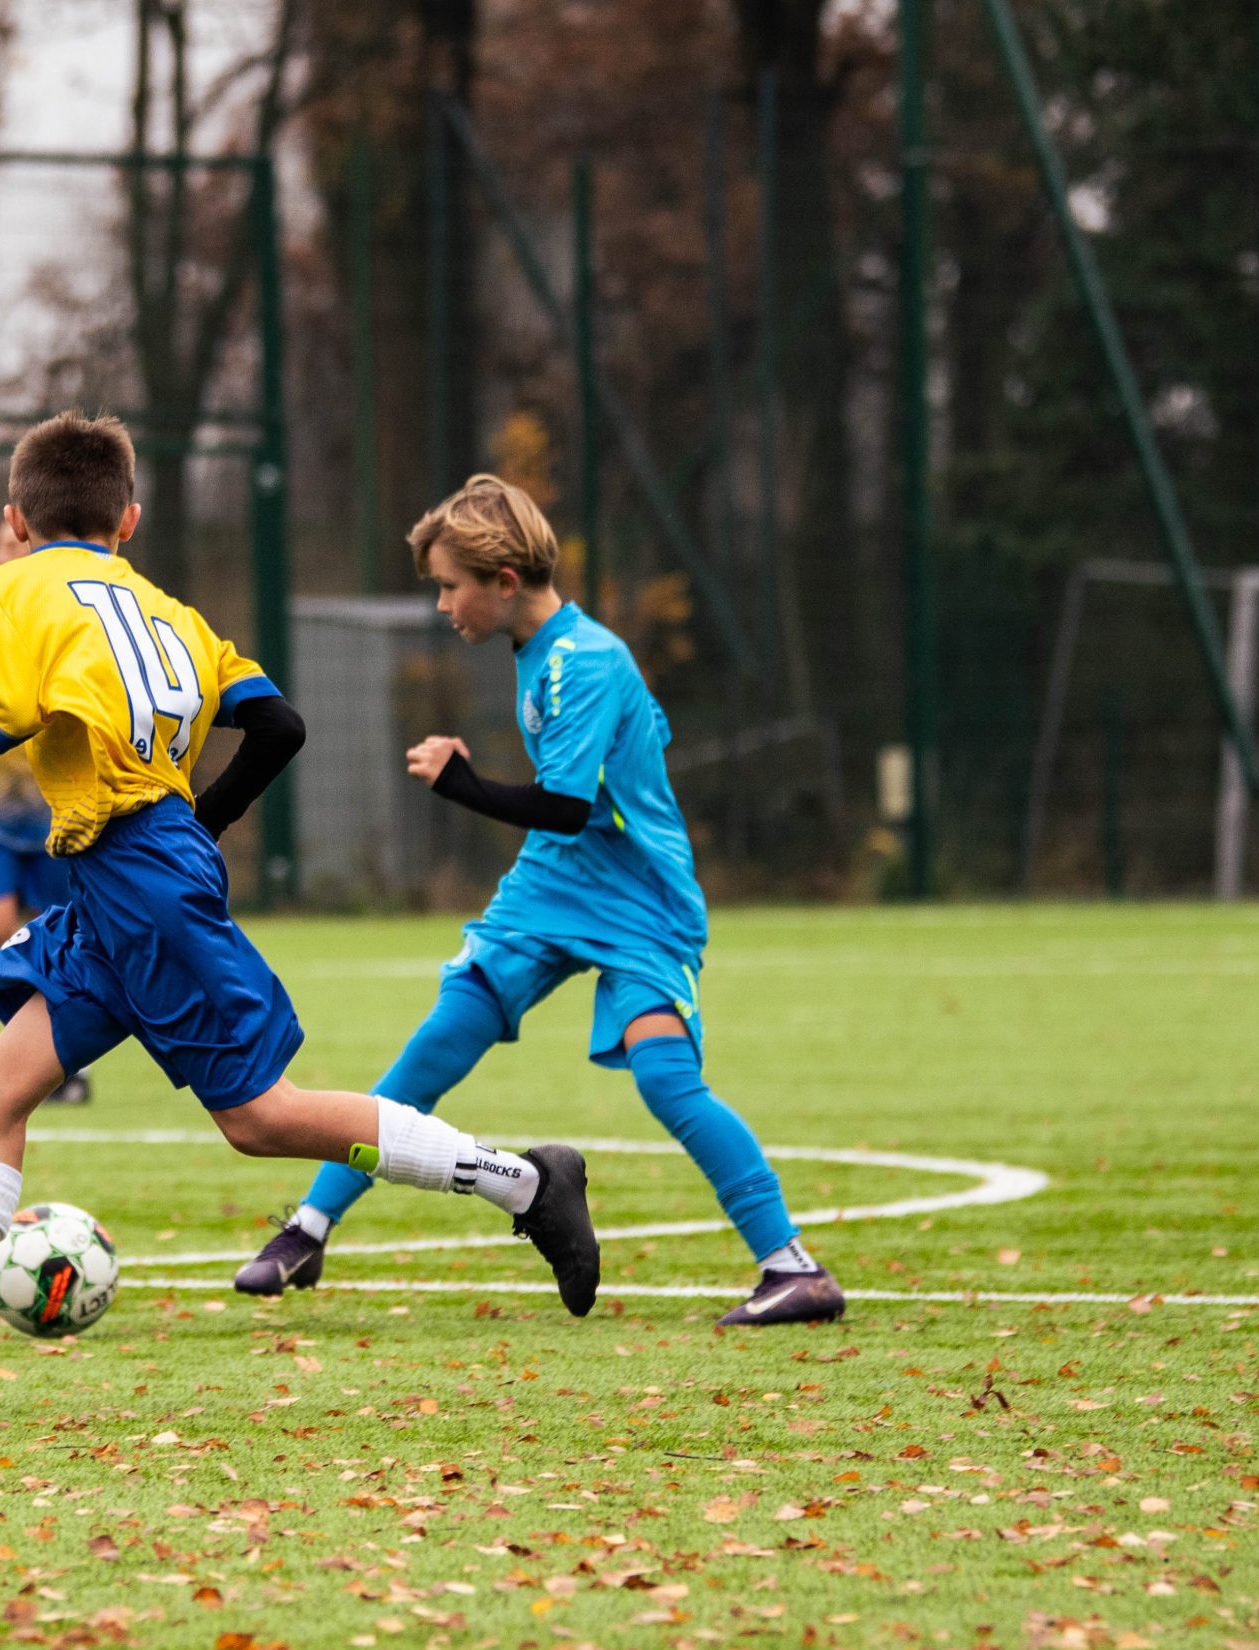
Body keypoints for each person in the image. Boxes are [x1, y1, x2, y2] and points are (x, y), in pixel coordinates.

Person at [0, 413, 600, 1405]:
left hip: (139, 878)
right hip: (122, 875)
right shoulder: (169, 610)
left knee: (261, 1117)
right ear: (128, 519)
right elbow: (279, 724)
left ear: (17, 519)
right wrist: (198, 821)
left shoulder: (17, 584)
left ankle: (525, 1181)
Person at [235, 474, 844, 1327]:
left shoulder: (583, 660)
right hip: (553, 886)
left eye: (450, 586)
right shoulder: (543, 653)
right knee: (436, 1048)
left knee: (668, 1080)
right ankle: (307, 1227)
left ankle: (793, 1268)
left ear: (505, 581)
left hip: (640, 897)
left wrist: (459, 781)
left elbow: (563, 803)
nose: (443, 605)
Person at [0, 521, 88, 1105]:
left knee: (58, 940)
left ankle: (55, 1061)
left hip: (56, 812)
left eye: (19, 547)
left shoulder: (66, 619)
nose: (8, 555)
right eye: (0, 546)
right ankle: (47, 1044)